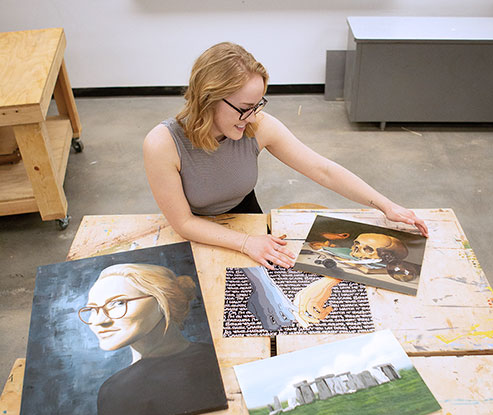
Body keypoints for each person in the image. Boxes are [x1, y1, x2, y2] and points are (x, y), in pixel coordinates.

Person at [143, 42, 428, 270]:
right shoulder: (162, 143)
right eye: (244, 107)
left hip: (247, 219)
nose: (251, 116)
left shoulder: (257, 124)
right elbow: (183, 224)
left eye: (258, 105)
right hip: (199, 233)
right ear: (207, 99)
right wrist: (245, 243)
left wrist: (385, 205)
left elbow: (322, 170)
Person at [78, 262, 227, 415]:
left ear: (162, 300)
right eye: (92, 309)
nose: (99, 321)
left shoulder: (117, 390)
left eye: (118, 303)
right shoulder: (117, 390)